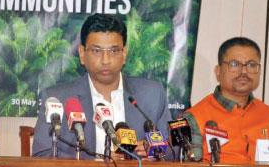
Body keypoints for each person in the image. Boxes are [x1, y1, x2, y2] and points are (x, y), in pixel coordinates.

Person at [32, 13, 173, 159]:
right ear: (82, 54)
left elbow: (173, 149)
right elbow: (42, 155)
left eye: (113, 51)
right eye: (96, 51)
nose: (106, 60)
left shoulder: (152, 95)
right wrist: (98, 161)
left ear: (124, 53)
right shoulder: (58, 99)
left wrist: (154, 151)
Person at [183, 37, 269, 165]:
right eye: (234, 64)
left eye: (251, 65)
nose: (244, 71)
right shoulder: (193, 118)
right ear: (218, 71)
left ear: (259, 71)